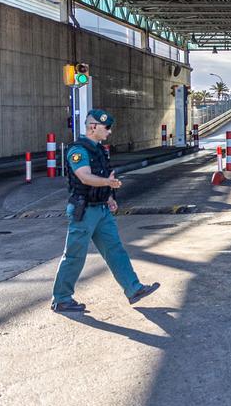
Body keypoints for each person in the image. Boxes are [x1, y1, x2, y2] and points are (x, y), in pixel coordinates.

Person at [51, 109, 160, 313]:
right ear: (93, 127)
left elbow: (100, 177)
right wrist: (108, 183)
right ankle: (61, 299)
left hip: (101, 209)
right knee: (75, 255)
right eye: (106, 127)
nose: (109, 132)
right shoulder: (78, 151)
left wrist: (108, 196)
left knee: (115, 250)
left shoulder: (100, 150)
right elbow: (84, 177)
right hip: (84, 211)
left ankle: (133, 289)